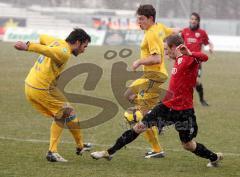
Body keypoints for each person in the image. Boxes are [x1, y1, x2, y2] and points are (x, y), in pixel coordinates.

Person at [91, 34, 223, 168]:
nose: (165, 53)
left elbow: (204, 57)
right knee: (139, 127)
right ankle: (109, 152)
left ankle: (214, 157)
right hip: (168, 106)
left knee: (187, 145)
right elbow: (176, 88)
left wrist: (189, 52)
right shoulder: (178, 60)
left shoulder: (187, 59)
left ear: (173, 47)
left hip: (184, 111)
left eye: (166, 49)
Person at [14, 28, 92, 162]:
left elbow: (43, 37)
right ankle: (52, 151)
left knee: (69, 111)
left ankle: (80, 146)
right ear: (78, 42)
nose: (84, 50)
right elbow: (47, 50)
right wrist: (27, 46)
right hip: (40, 88)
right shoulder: (64, 52)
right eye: (84, 46)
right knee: (63, 113)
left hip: (35, 84)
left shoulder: (58, 42)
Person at [123, 4, 180, 158]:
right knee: (131, 98)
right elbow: (173, 33)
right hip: (153, 76)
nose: (139, 22)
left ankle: (158, 125)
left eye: (141, 19)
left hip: (154, 75)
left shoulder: (151, 34)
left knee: (137, 115)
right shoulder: (159, 27)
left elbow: (157, 58)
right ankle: (155, 117)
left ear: (150, 18)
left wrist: (139, 61)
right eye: (138, 19)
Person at [181, 12, 213, 106]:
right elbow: (179, 42)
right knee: (182, 81)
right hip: (185, 61)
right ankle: (183, 101)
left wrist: (211, 47)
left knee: (196, 82)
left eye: (195, 19)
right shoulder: (185, 31)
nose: (193, 21)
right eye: (192, 19)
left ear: (198, 21)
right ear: (189, 20)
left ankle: (202, 100)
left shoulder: (202, 33)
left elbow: (208, 42)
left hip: (196, 62)